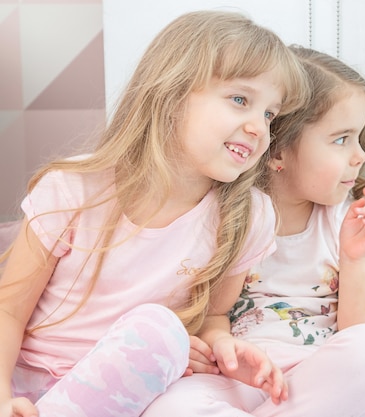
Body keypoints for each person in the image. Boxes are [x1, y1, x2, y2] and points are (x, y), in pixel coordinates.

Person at [0, 10, 309, 417]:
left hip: (129, 395)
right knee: (161, 330)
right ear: (172, 94)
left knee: (163, 333)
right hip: (27, 387)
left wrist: (221, 344)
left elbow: (214, 313)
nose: (259, 127)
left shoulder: (248, 215)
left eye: (270, 114)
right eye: (240, 100)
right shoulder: (73, 189)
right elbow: (8, 310)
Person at [142, 46, 365, 417]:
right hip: (238, 377)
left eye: (360, 138)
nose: (360, 155)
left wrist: (356, 258)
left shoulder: (347, 221)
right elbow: (209, 315)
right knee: (169, 408)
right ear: (278, 150)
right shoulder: (227, 214)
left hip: (319, 381)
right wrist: (223, 347)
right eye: (341, 139)